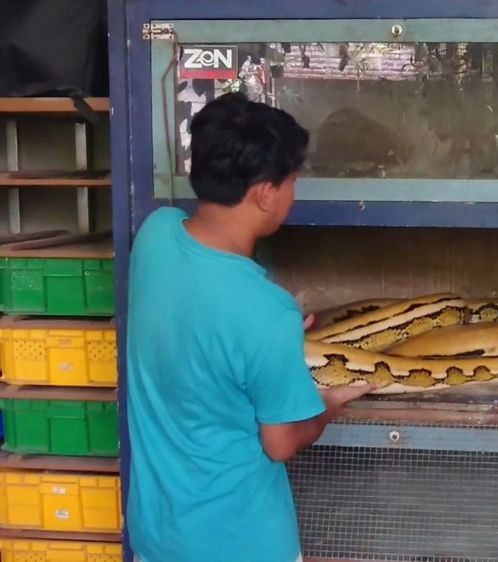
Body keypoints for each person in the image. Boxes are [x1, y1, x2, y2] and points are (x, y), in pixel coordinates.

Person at [126, 92, 376, 562]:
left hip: (157, 536)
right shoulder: (267, 313)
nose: (293, 193)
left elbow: (199, 323)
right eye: (292, 181)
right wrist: (322, 408)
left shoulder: (155, 235)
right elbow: (280, 443)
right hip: (243, 544)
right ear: (265, 193)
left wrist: (271, 342)